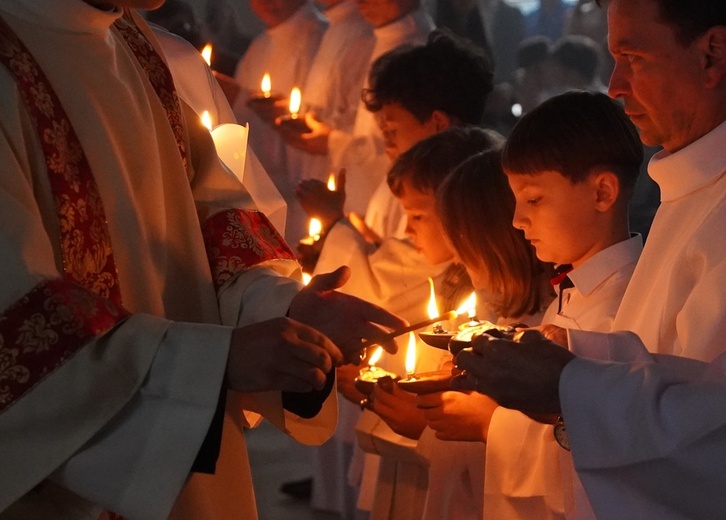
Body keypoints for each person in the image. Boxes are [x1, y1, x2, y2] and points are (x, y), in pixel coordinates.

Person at [0, 2, 406, 519]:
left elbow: (216, 217)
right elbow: (17, 309)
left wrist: (283, 309)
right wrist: (212, 362)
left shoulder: (135, 43)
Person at [453, 0, 726, 517]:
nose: (616, 85)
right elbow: (681, 368)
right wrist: (574, 350)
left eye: (634, 57)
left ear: (712, 53)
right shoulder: (690, 185)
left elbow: (712, 436)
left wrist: (565, 385)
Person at [476, 90, 643, 519]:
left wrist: (487, 422)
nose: (516, 220)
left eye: (533, 199)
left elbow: (603, 446)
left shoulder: (626, 308)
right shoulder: (572, 289)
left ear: (602, 192)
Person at [414, 144, 554, 520]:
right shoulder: (493, 317)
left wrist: (483, 419)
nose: (458, 260)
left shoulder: (549, 327)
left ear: (494, 242)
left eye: (463, 246)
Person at [285, 0, 435, 222]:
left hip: (397, 201)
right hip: (361, 193)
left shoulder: (417, 51)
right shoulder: (383, 38)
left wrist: (331, 141)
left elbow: (398, 147)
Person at [232, 0, 327, 244]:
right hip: (260, 186)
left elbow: (323, 118)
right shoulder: (261, 45)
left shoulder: (319, 37)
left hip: (301, 185)